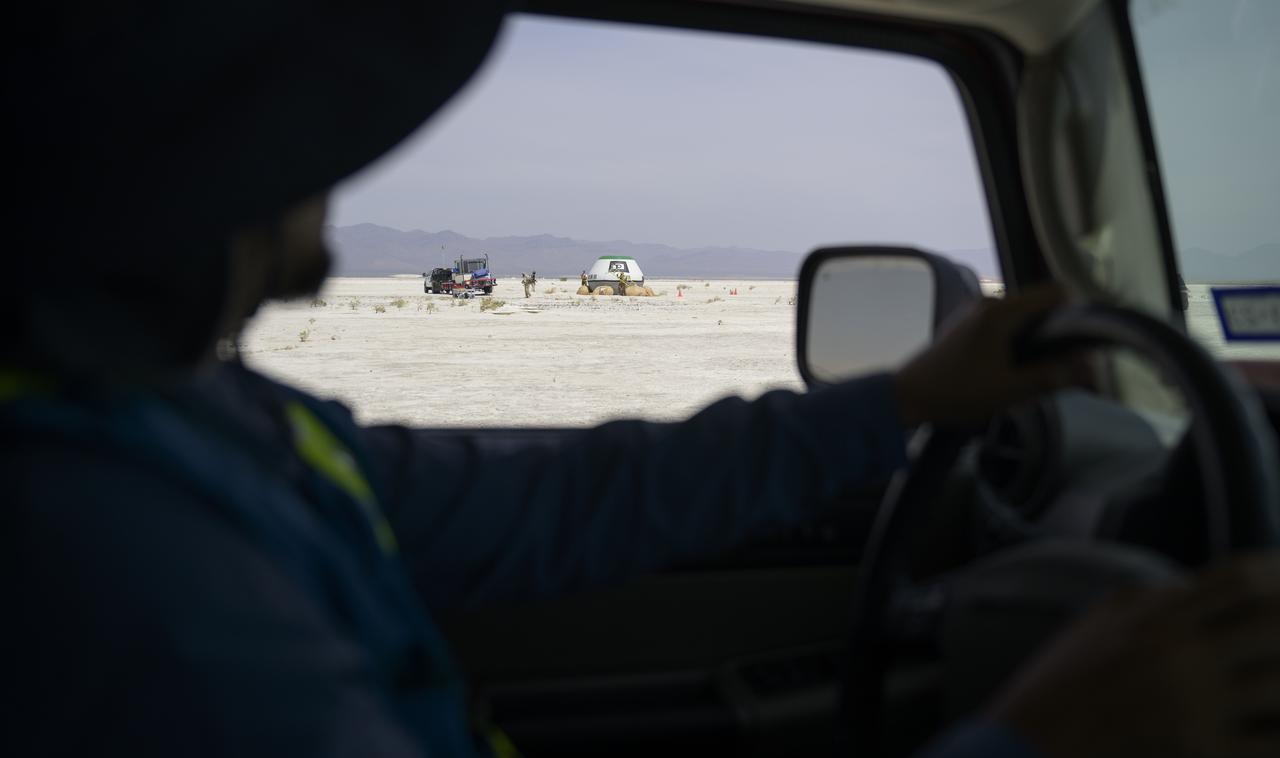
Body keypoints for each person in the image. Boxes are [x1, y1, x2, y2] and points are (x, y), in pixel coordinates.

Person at [4, 2, 1278, 757]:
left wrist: (897, 400)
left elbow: (550, 500)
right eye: (301, 151)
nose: (323, 216)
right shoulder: (100, 561)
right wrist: (1035, 740)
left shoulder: (176, 411)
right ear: (184, 170)